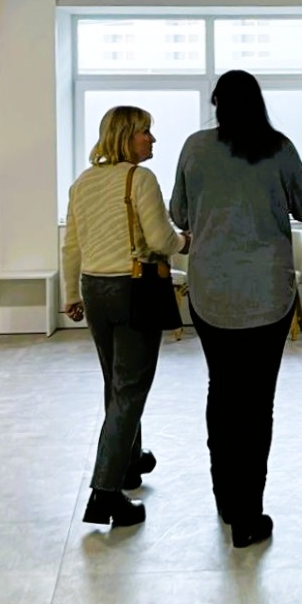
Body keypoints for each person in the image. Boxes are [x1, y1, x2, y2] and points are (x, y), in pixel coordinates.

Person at [169, 69, 302, 548]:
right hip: (268, 294)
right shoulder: (279, 147)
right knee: (257, 403)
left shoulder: (194, 148)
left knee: (221, 391)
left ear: (217, 103)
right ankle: (248, 515)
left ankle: (225, 500)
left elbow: (178, 214)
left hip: (210, 292)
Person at [62, 105, 188, 528]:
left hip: (95, 289)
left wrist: (70, 294)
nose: (151, 139)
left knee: (115, 382)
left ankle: (129, 462)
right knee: (131, 388)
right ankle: (105, 493)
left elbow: (71, 246)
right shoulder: (140, 178)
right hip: (134, 288)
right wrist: (185, 241)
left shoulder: (82, 182)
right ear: (124, 137)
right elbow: (160, 240)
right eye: (144, 132)